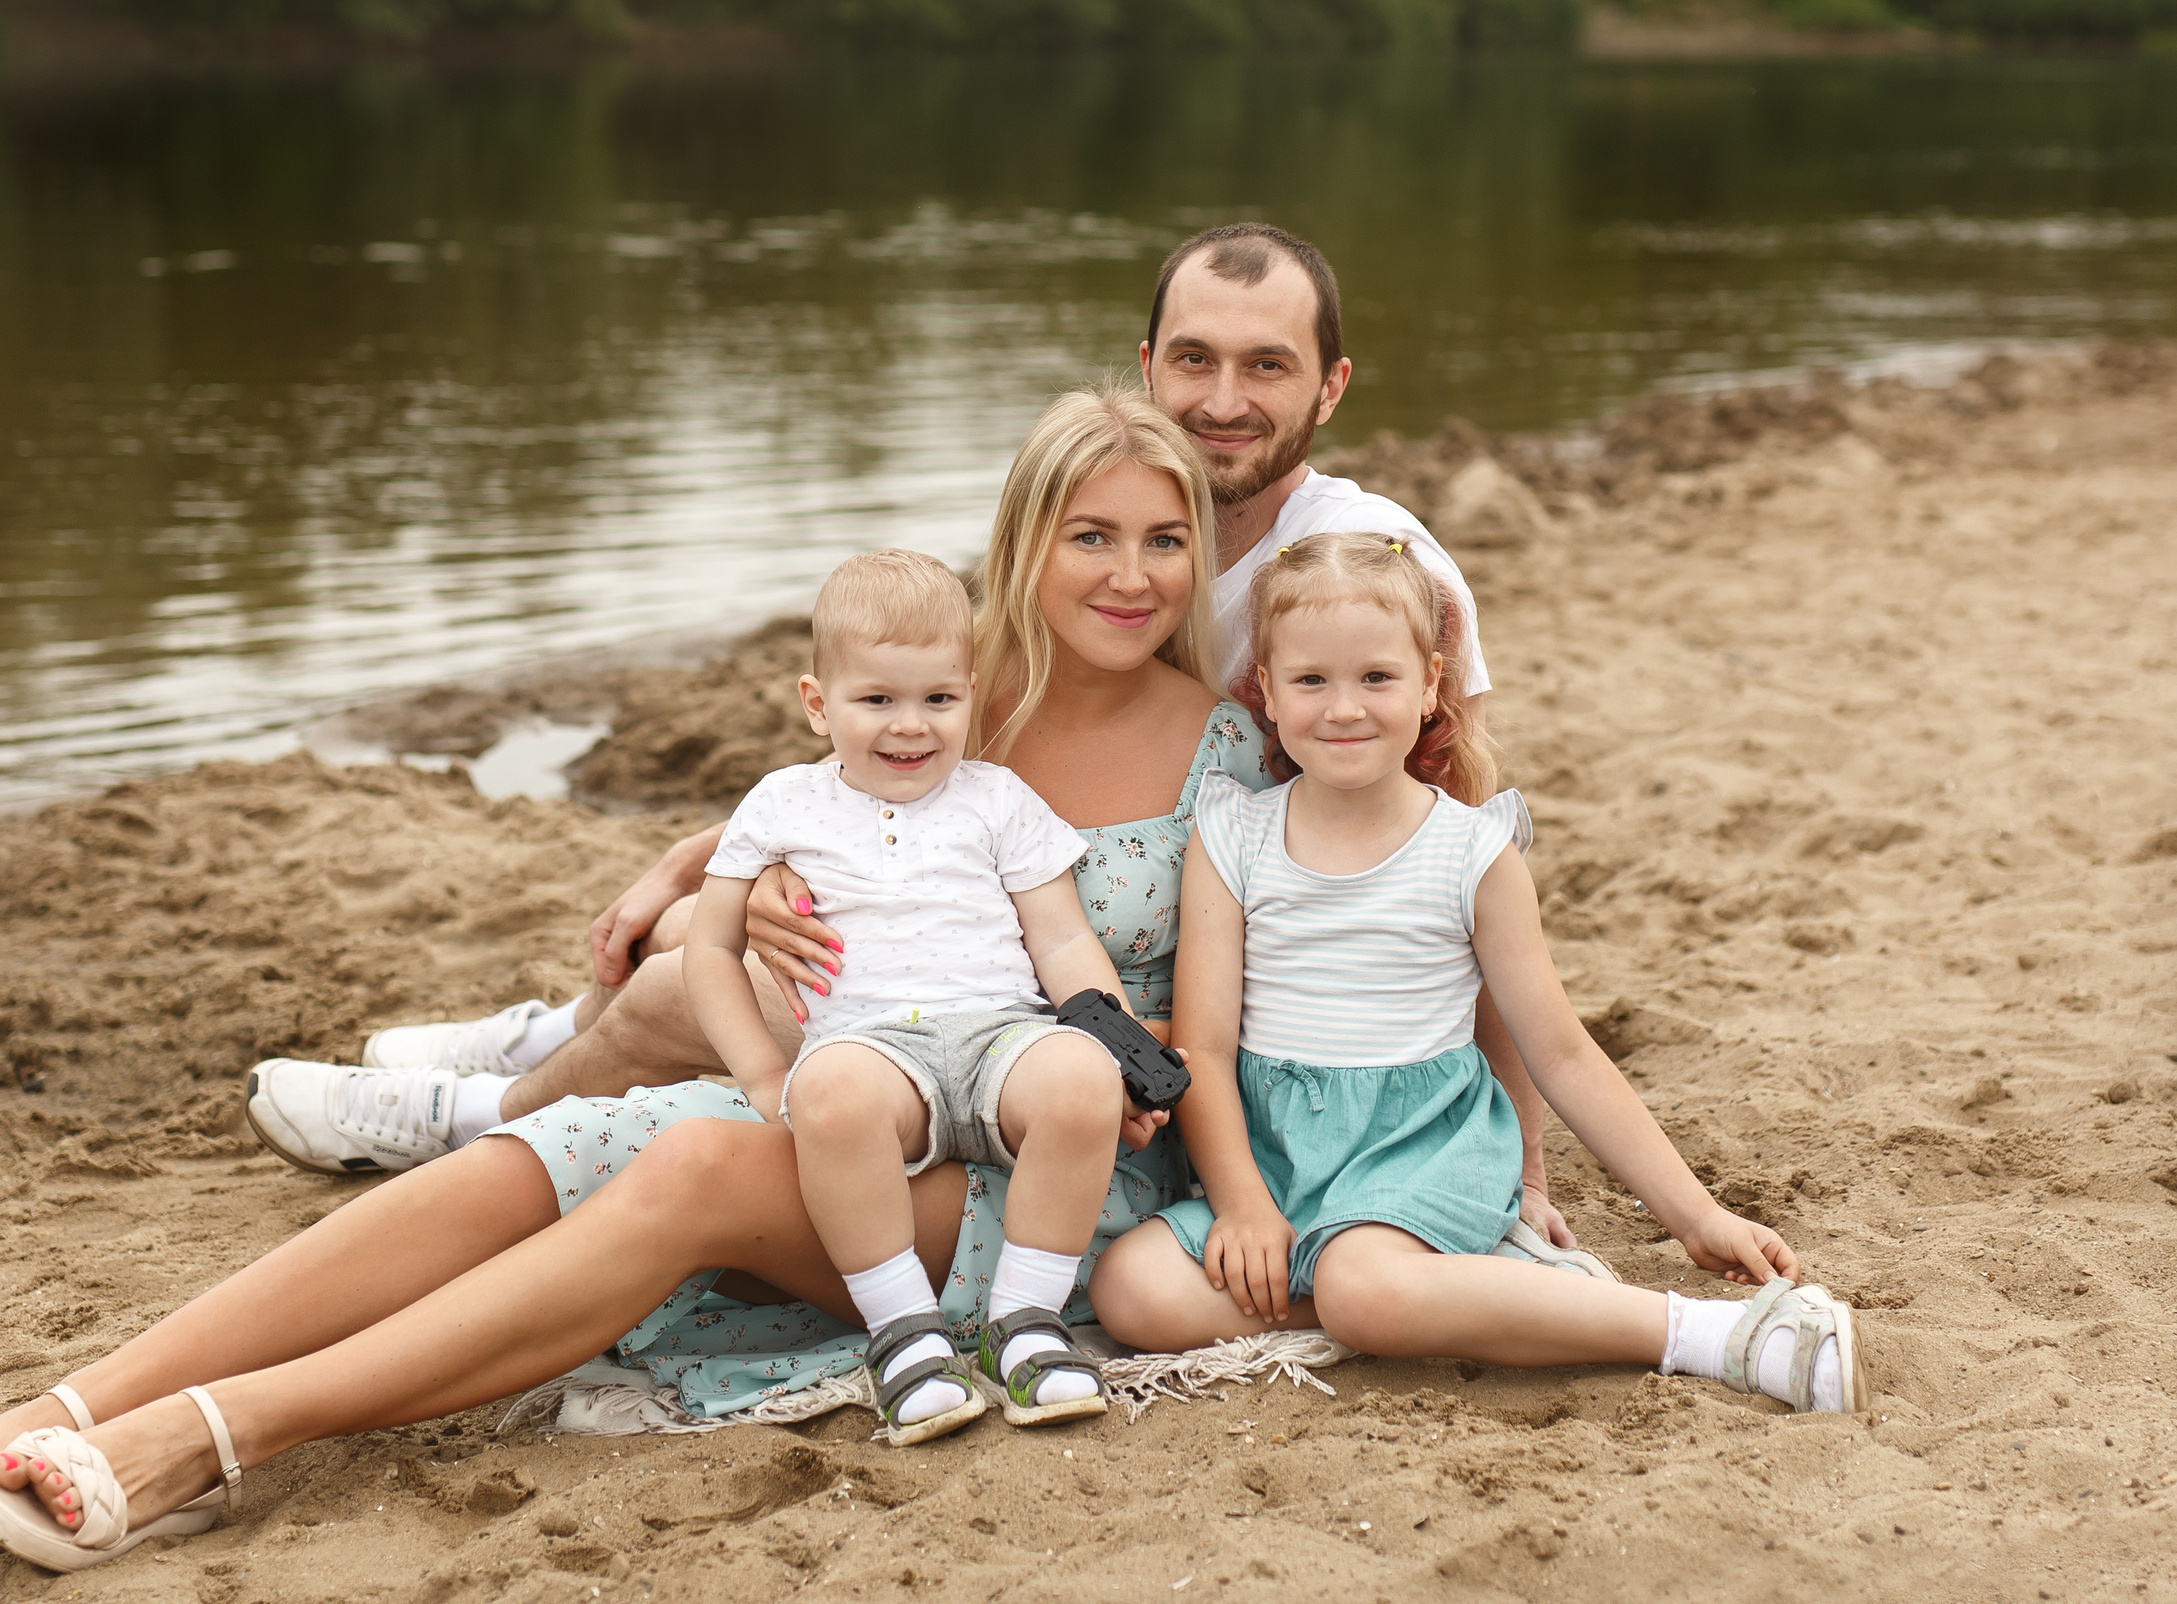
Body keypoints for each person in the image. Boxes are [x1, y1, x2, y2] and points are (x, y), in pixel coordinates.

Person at [0, 384, 1284, 1575]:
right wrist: (712, 875)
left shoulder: (1221, 747)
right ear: (1026, 544)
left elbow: (1303, 951)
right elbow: (816, 812)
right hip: (874, 1091)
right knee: (556, 1146)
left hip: (1051, 1158)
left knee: (686, 1168)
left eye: (1165, 541)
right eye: (1093, 535)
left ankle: (211, 1438)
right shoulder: (964, 698)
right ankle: (46, 1411)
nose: (1132, 574)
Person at [242, 221, 1586, 1263]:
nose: (1225, 396)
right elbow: (932, 726)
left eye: (1267, 366)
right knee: (707, 945)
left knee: (696, 991)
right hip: (995, 918)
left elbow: (1458, 845)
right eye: (1197, 358)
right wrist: (704, 859)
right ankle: (518, 1066)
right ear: (1148, 366)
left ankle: (492, 1108)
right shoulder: (1096, 514)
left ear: (1332, 385)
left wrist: (1517, 1156)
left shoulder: (1366, 564)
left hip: (1162, 990)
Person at [1085, 533, 1865, 1413]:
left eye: (1376, 678)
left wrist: (1698, 1217)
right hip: (1274, 1153)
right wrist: (1244, 1207)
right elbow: (1206, 1049)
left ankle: (1713, 1334)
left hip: (1418, 1142)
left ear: (1429, 683)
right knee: (1129, 1288)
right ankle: (1452, 1292)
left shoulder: (1471, 852)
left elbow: (1562, 1055)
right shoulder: (1234, 836)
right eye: (1311, 681)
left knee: (1358, 1287)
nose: (1344, 708)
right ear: (1265, 688)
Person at [689, 549, 1148, 1441]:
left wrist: (1123, 1045)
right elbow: (711, 945)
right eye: (877, 702)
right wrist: (755, 1070)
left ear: (971, 692)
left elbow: (1059, 938)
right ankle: (904, 1337)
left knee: (1082, 1078)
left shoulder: (997, 799)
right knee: (827, 1095)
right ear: (818, 703)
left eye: (939, 700)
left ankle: (1027, 1328)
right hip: (872, 1049)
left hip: (1000, 1034)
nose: (911, 727)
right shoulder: (784, 804)